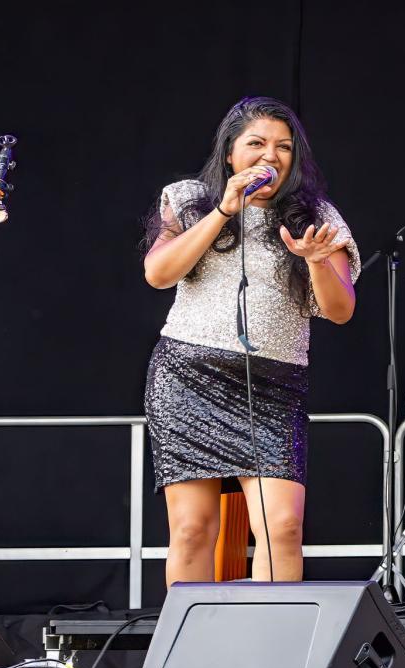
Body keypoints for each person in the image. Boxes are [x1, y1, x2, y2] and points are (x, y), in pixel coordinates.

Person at [142, 96, 360, 587]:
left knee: (282, 528)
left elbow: (340, 310)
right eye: (257, 143)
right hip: (187, 377)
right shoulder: (190, 199)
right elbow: (158, 273)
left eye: (284, 147)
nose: (270, 156)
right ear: (230, 152)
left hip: (273, 386)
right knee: (193, 529)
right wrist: (224, 210)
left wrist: (315, 260)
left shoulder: (316, 214)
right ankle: (193, 633)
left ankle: (271, 634)